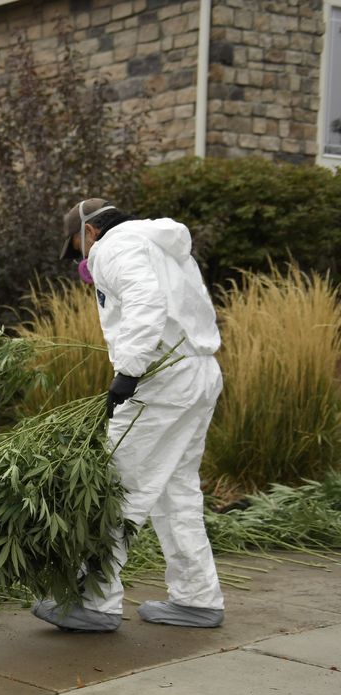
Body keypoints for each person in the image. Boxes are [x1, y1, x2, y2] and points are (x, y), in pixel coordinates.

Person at [32, 199, 225, 633]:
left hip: (161, 379)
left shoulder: (115, 248)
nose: (80, 260)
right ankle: (197, 598)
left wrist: (129, 371)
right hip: (199, 371)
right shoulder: (160, 244)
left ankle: (93, 601)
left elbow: (145, 304)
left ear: (89, 232)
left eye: (77, 249)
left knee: (114, 484)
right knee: (177, 490)